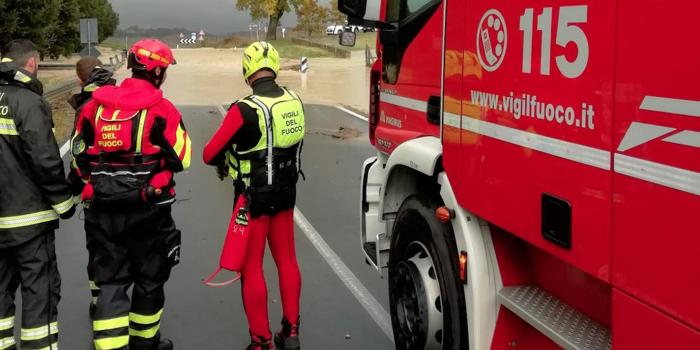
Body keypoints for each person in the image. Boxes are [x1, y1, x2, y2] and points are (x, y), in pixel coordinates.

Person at [71, 39, 191, 350]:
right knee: (149, 279)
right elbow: (183, 157)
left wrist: (94, 185)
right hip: (148, 210)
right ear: (158, 73)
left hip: (102, 210)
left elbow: (77, 158)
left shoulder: (94, 107)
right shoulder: (162, 110)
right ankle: (144, 344)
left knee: (110, 282)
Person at [203, 41, 305, 350]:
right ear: (274, 66)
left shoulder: (244, 109)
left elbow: (209, 154)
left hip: (252, 200)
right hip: (287, 195)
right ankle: (291, 332)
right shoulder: (295, 100)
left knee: (252, 268)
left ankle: (261, 341)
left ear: (247, 71)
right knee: (287, 260)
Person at [0, 39, 75, 350]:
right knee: (38, 290)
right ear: (31, 64)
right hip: (28, 221)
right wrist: (65, 203)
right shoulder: (28, 103)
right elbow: (45, 160)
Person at [66, 56, 117, 318]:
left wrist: (72, 191)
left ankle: (99, 299)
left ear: (79, 78)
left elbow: (78, 154)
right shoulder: (121, 97)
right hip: (128, 188)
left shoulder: (85, 105)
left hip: (95, 192)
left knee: (97, 248)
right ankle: (122, 294)